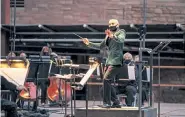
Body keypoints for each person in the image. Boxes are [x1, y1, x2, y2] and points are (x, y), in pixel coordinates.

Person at [82, 19, 126, 108]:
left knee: (106, 80)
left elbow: (121, 40)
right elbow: (101, 46)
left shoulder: (121, 32)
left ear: (118, 24)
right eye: (109, 24)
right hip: (109, 62)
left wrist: (112, 35)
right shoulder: (108, 35)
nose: (111, 25)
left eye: (113, 24)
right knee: (107, 83)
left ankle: (107, 103)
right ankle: (116, 102)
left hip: (116, 61)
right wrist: (89, 43)